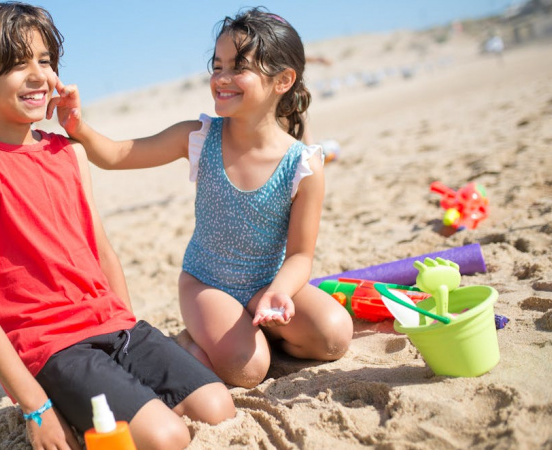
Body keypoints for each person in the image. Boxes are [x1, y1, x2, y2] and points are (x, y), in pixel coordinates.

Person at [0, 3, 235, 450]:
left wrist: (128, 328)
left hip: (113, 324)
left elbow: (101, 250)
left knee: (218, 407)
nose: (38, 75)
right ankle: (64, 399)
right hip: (51, 346)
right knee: (166, 437)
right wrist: (35, 406)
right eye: (18, 64)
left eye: (44, 60)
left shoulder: (70, 152)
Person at [50, 7, 353, 389]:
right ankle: (190, 343)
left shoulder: (303, 164)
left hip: (267, 284)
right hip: (206, 285)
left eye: (238, 67)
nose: (222, 78)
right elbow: (115, 155)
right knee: (249, 369)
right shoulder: (199, 136)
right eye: (217, 66)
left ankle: (253, 329)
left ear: (283, 80)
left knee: (335, 335)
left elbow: (300, 256)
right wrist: (77, 123)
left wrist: (277, 292)